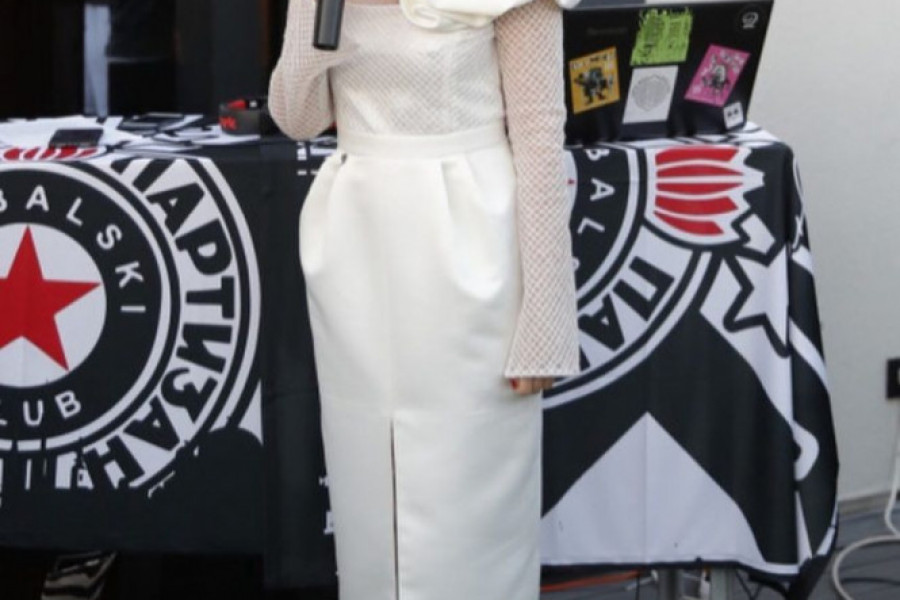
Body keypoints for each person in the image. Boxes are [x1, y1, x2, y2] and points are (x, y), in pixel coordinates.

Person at [267, 0, 581, 599]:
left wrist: (547, 318)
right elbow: (297, 118)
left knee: (467, 493)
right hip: (356, 246)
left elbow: (540, 139)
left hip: (470, 246)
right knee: (367, 489)